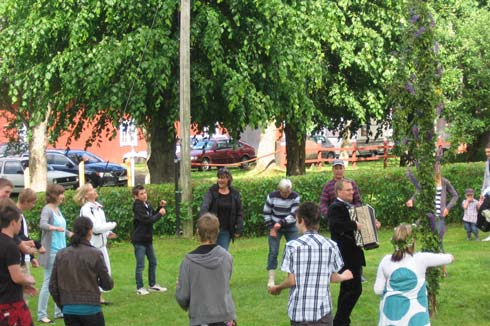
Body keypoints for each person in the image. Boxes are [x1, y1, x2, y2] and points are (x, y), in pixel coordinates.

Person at [268, 202, 353, 325]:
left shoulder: (292, 246)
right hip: (323, 312)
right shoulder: (331, 246)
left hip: (299, 312)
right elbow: (332, 276)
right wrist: (344, 276)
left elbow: (292, 280)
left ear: (301, 220)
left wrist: (278, 288)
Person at [374, 223, 454, 326]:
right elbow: (449, 258)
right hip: (416, 317)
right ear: (413, 241)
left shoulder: (385, 261)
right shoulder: (421, 259)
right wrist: (450, 256)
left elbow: (378, 290)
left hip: (391, 314)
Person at [328, 179, 377, 326]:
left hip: (354, 253)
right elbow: (335, 226)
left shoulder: (351, 207)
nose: (352, 192)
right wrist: (354, 225)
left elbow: (361, 227)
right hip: (345, 254)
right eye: (348, 190)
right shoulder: (335, 207)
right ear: (339, 192)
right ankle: (340, 321)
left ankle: (342, 321)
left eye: (352, 189)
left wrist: (373, 224)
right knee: (354, 289)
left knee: (348, 289)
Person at [50, 216, 114, 326]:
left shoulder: (61, 254)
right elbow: (107, 284)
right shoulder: (95, 254)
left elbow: (53, 286)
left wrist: (64, 305)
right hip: (90, 308)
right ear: (90, 231)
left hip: (69, 308)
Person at [176, 213, 237, 326]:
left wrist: (180, 287)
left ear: (198, 232)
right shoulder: (227, 257)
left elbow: (183, 297)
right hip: (226, 317)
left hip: (201, 319)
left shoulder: (188, 262)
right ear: (217, 232)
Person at [406, 167, 457, 277]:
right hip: (427, 215)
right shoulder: (426, 182)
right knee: (411, 234)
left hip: (439, 218)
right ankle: (411, 265)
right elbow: (418, 192)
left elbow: (455, 195)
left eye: (437, 167)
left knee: (438, 242)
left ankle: (443, 270)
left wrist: (448, 208)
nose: (435, 170)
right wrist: (412, 200)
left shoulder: (444, 182)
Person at [74, 183, 117, 304]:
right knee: (92, 272)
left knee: (104, 270)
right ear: (86, 195)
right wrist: (112, 225)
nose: (95, 190)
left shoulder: (98, 207)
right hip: (91, 245)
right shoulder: (86, 209)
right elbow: (95, 227)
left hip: (101, 245)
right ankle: (92, 297)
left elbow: (100, 224)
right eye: (91, 190)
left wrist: (108, 232)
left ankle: (99, 297)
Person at [38, 184, 72, 324]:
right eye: (60, 194)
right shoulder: (47, 209)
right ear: (53, 195)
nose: (63, 196)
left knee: (61, 282)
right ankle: (41, 314)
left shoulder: (57, 209)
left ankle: (59, 311)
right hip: (51, 251)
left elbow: (62, 228)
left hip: (62, 250)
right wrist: (54, 228)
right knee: (48, 283)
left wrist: (70, 233)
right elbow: (42, 224)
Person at [0, 198, 36, 326]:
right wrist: (30, 279)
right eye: (20, 222)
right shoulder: (10, 246)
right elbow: (16, 277)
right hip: (10, 303)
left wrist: (23, 286)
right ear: (13, 223)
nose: (20, 226)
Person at [263, 178, 300, 288]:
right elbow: (266, 212)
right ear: (279, 190)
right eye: (284, 192)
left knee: (294, 250)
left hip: (290, 226)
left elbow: (294, 214)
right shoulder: (271, 196)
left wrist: (280, 223)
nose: (286, 194)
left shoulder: (295, 196)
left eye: (288, 192)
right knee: (273, 251)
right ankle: (271, 279)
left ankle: (292, 277)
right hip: (274, 226)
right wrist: (271, 228)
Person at [131, 185, 167, 295]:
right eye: (141, 194)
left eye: (145, 192)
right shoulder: (137, 207)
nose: (144, 195)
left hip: (147, 239)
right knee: (140, 265)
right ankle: (140, 288)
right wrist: (160, 214)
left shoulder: (147, 204)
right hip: (139, 240)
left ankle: (152, 285)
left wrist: (158, 208)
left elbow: (152, 215)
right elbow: (147, 220)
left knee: (153, 262)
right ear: (136, 196)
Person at [200, 168, 243, 250]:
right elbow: (204, 207)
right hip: (211, 229)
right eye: (219, 178)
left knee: (222, 253)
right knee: (210, 252)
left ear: (228, 179)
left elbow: (239, 212)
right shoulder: (212, 191)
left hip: (226, 230)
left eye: (222, 178)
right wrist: (202, 223)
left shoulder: (234, 194)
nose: (220, 180)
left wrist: (239, 228)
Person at [17, 189, 45, 302]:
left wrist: (32, 257)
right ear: (25, 201)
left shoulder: (20, 215)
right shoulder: (16, 215)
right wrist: (38, 245)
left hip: (24, 256)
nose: (33, 206)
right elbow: (18, 237)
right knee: (23, 295)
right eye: (32, 203)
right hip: (18, 259)